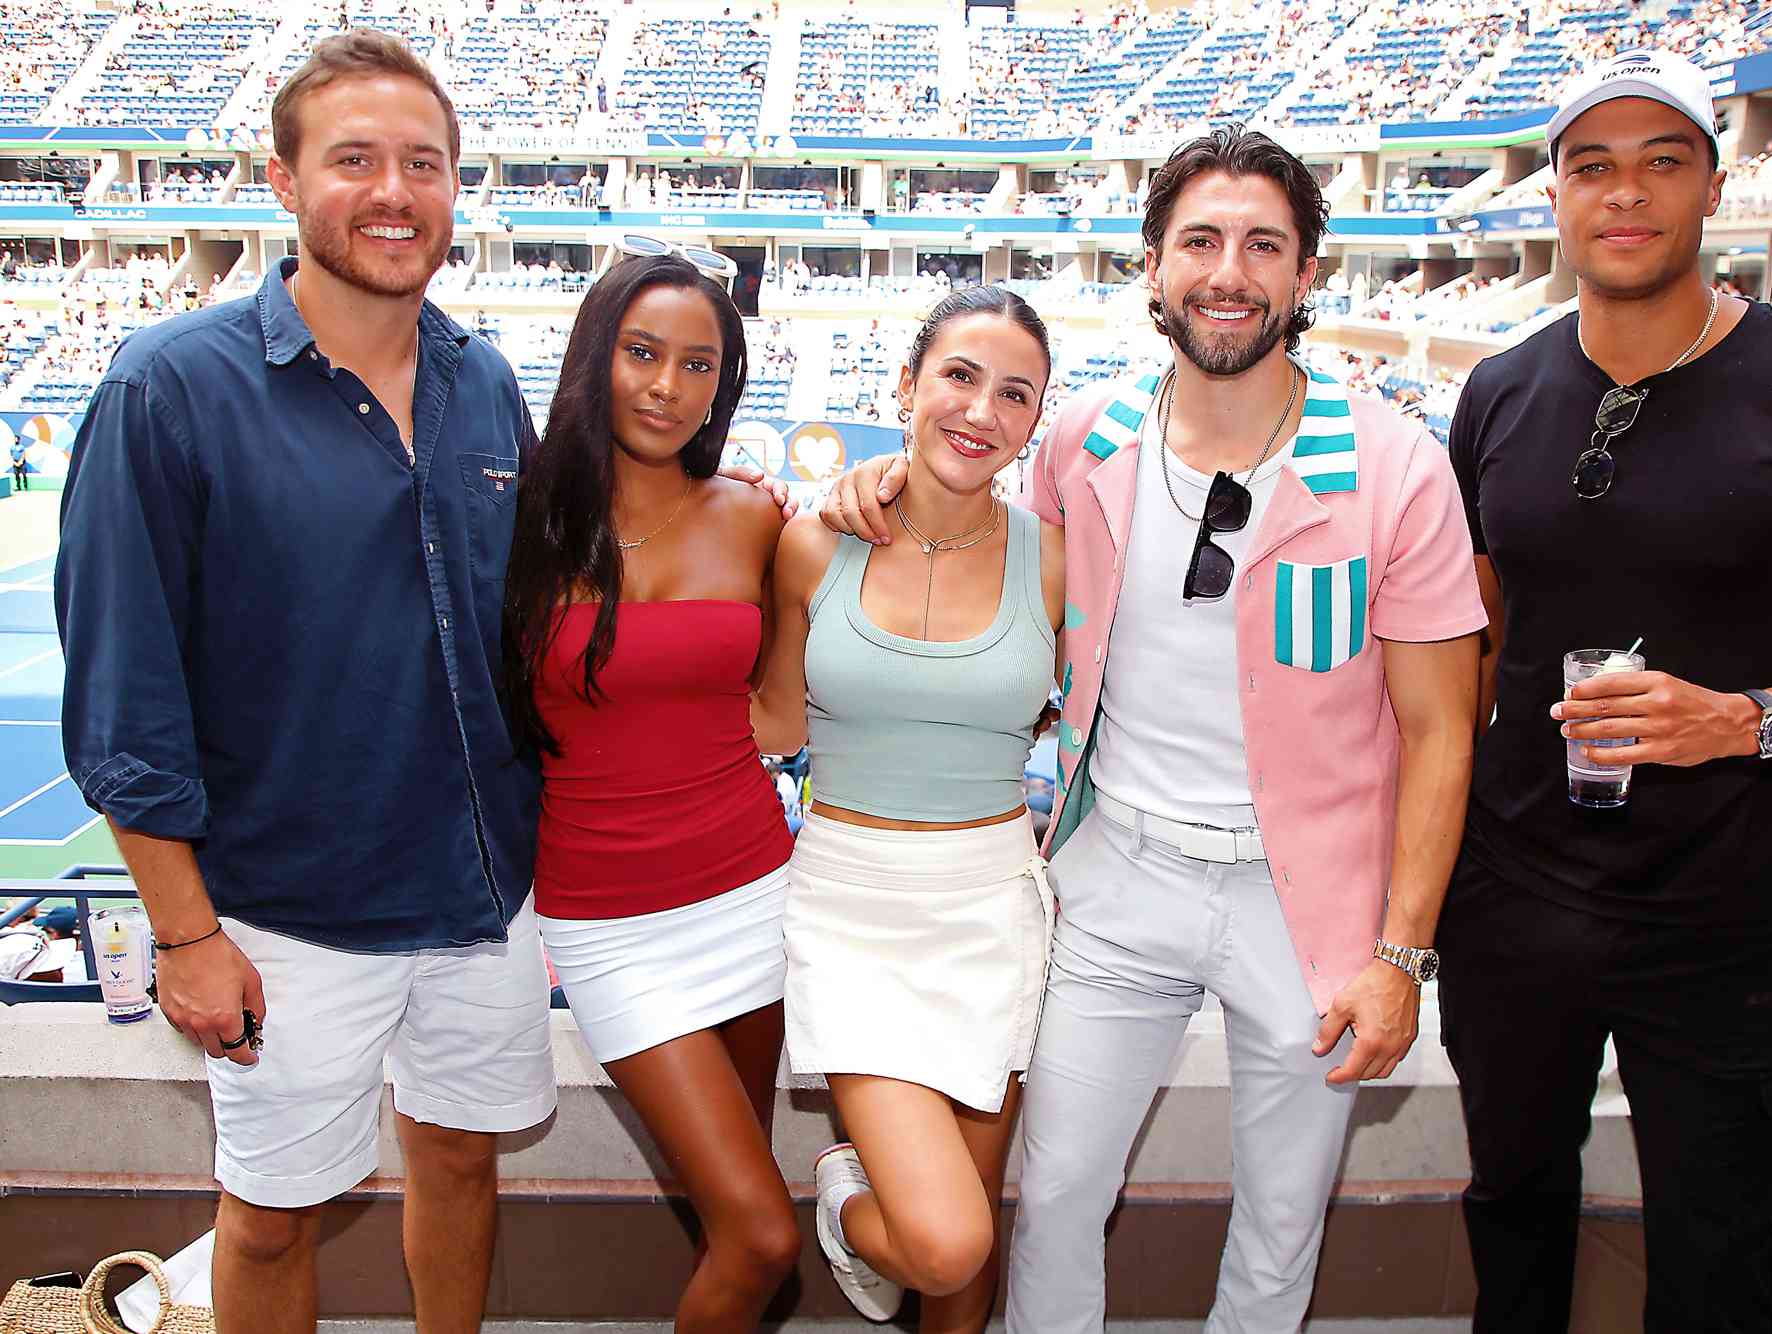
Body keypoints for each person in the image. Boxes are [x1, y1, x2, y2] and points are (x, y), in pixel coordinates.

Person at [820, 125, 1485, 1333]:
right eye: (1199, 241)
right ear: (1151, 265)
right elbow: (977, 558)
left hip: (1310, 904)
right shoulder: (1083, 443)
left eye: (1260, 244)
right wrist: (855, 492)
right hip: (1113, 875)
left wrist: (1399, 956)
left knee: (1283, 1214)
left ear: (1305, 273)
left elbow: (1441, 731)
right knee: (1060, 1187)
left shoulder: (1395, 471)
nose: (1227, 270)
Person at [1440, 50, 1772, 1334]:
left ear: (1712, 187)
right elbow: (1471, 643)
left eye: (1660, 162)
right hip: (1511, 895)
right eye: (1591, 167)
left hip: (1713, 908)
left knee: (1713, 1248)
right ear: (1556, 200)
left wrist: (1743, 717)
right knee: (1508, 1211)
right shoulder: (1499, 392)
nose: (1623, 195)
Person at [56, 30, 555, 1334]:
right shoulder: (168, 388)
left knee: (458, 1161)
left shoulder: (486, 381)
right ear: (282, 179)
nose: (394, 190)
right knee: (271, 1217)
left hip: (479, 889)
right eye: (354, 160)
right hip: (282, 909)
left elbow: (549, 608)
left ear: (456, 188)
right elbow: (122, 695)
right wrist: (184, 933)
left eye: (424, 163)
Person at [502, 250, 801, 1331]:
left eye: (698, 365)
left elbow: (787, 703)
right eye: (641, 353)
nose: (668, 386)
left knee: (743, 1212)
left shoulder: (759, 517)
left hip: (752, 891)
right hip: (609, 921)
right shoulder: (521, 520)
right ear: (596, 357)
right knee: (766, 1229)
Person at [756, 286, 1063, 1331]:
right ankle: (846, 1195)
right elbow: (766, 719)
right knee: (944, 1237)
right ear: (907, 385)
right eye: (959, 377)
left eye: (1013, 392)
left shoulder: (1055, 560)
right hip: (850, 909)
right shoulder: (811, 543)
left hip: (990, 906)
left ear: (1034, 421)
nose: (981, 409)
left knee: (962, 1271)